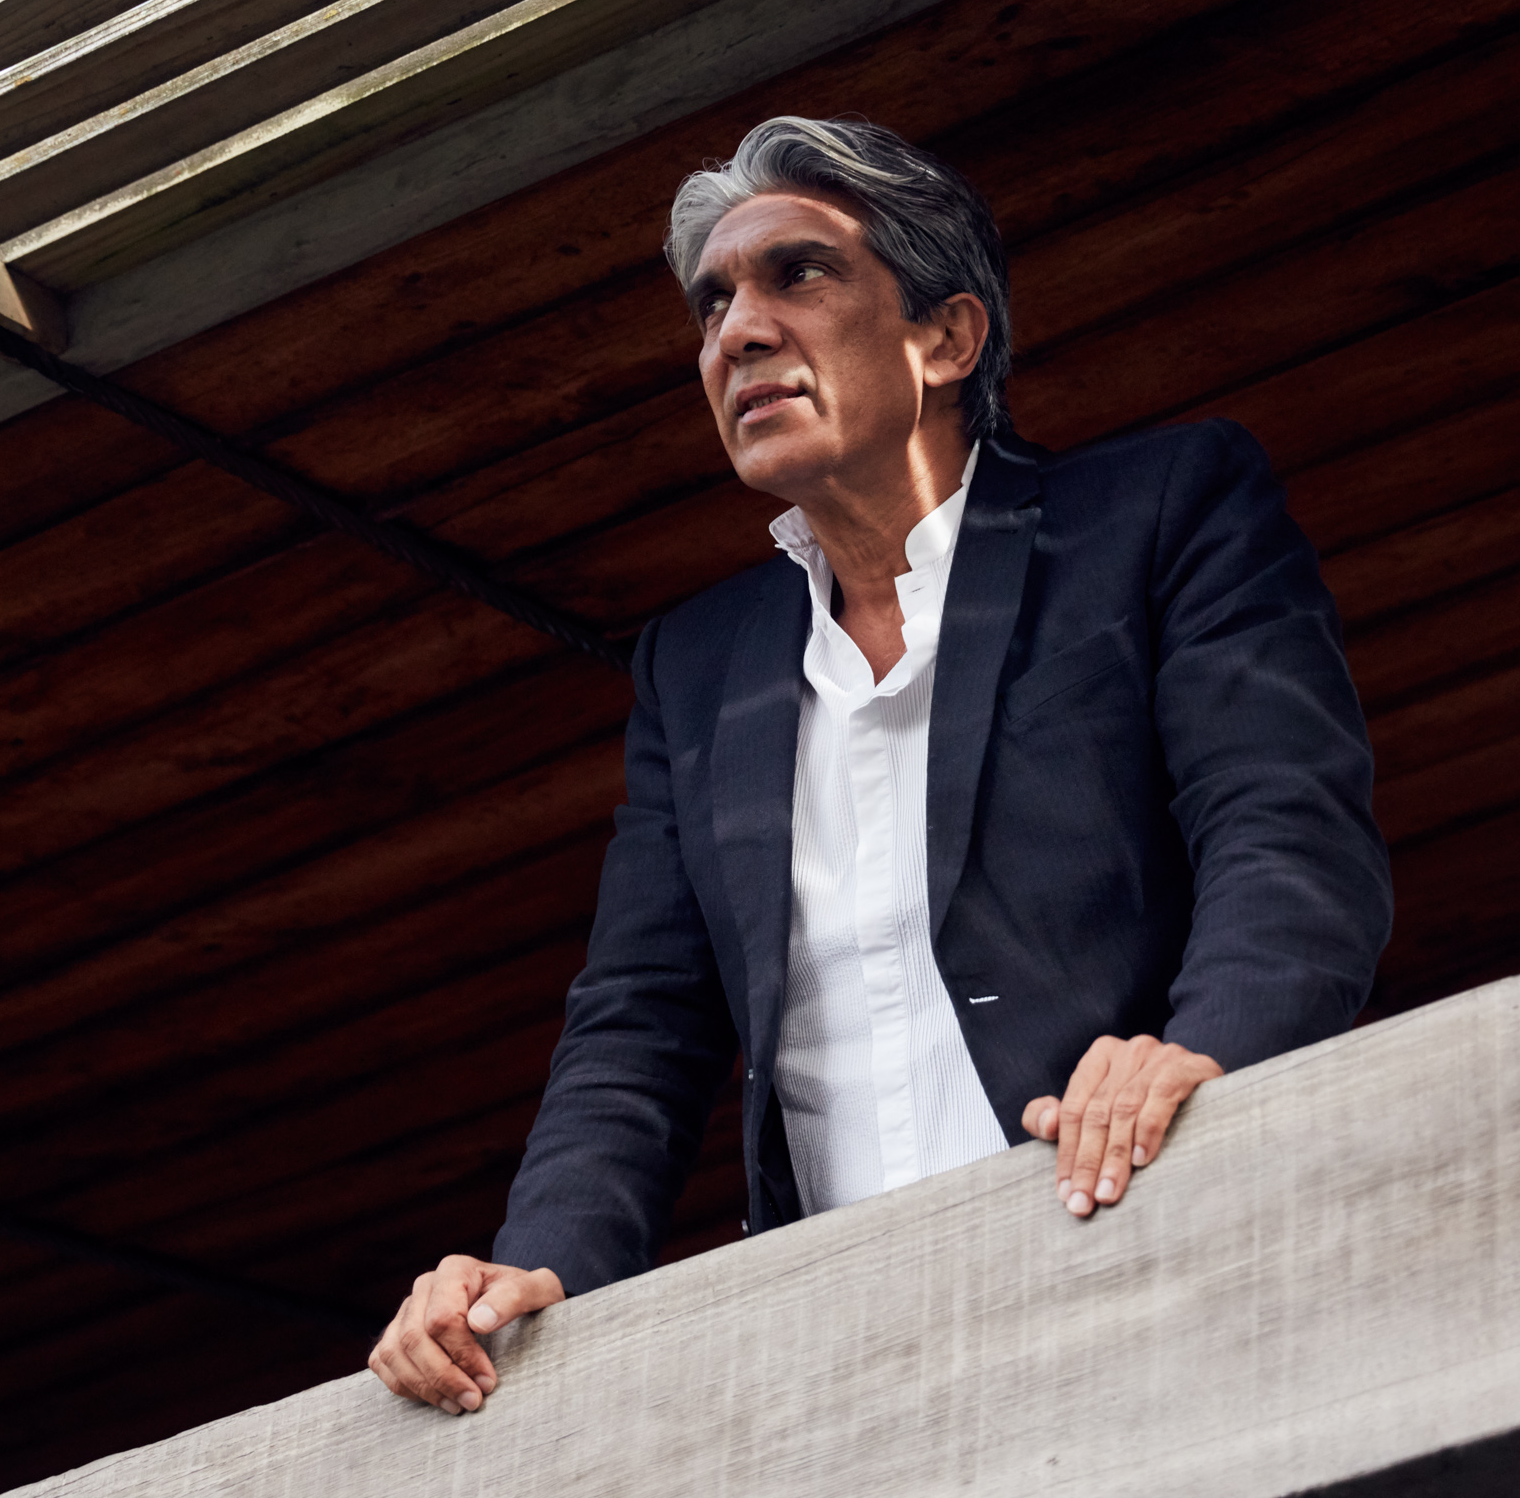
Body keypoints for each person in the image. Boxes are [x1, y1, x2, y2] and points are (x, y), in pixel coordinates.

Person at [370, 116, 1392, 1415]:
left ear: (946, 339)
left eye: (798, 274)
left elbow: (1285, 831)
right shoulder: (698, 667)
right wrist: (530, 1268)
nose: (736, 331)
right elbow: (638, 1024)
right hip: (852, 1363)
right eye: (713, 303)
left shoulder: (1164, 510)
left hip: (1153, 1235)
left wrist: (1208, 1053)